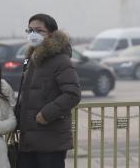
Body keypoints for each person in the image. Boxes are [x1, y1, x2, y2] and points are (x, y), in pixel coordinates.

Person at [17, 13, 81, 168]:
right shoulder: (32, 59)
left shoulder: (60, 60)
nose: (33, 34)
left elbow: (72, 94)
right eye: (30, 30)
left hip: (51, 140)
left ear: (51, 34)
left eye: (39, 30)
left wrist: (46, 115)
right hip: (28, 140)